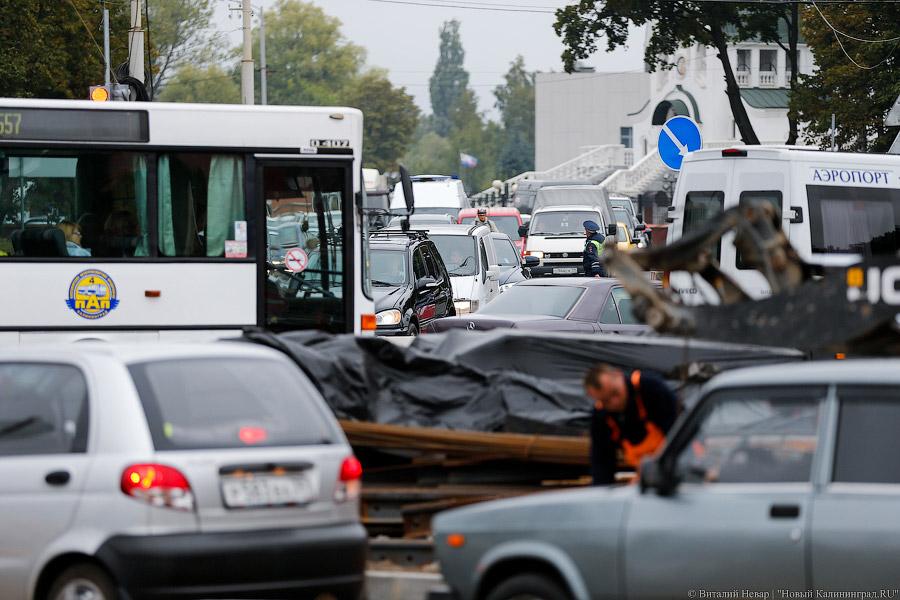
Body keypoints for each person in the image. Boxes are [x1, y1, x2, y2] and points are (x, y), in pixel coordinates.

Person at [583, 363, 678, 485]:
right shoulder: (601, 416)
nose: (614, 403)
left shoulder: (651, 388)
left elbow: (679, 433)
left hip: (679, 465)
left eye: (615, 393)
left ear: (618, 375)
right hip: (647, 475)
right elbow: (601, 463)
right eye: (605, 401)